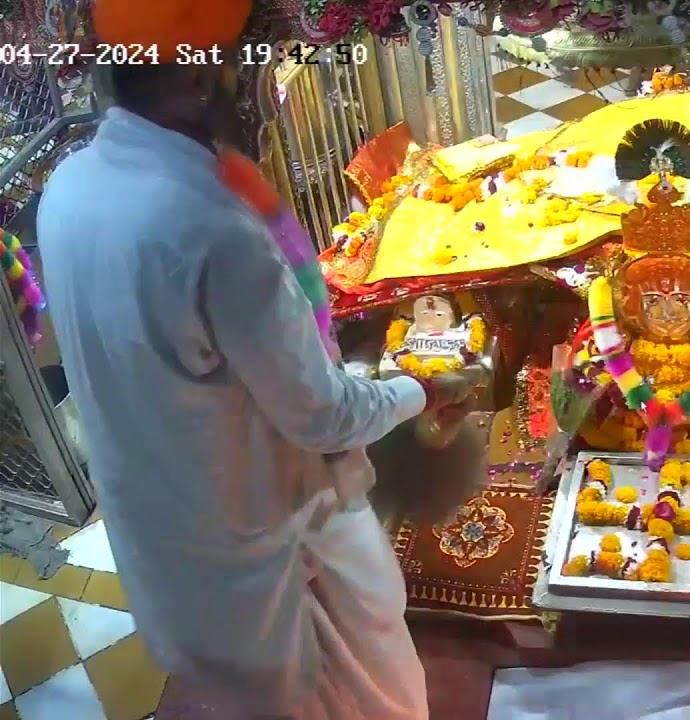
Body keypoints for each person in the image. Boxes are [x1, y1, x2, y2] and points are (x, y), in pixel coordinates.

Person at [37, 1, 465, 717]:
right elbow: (323, 417)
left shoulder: (69, 188)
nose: (259, 95)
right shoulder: (210, 226)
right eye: (248, 70)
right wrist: (413, 389)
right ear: (202, 83)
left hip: (165, 546)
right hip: (275, 555)